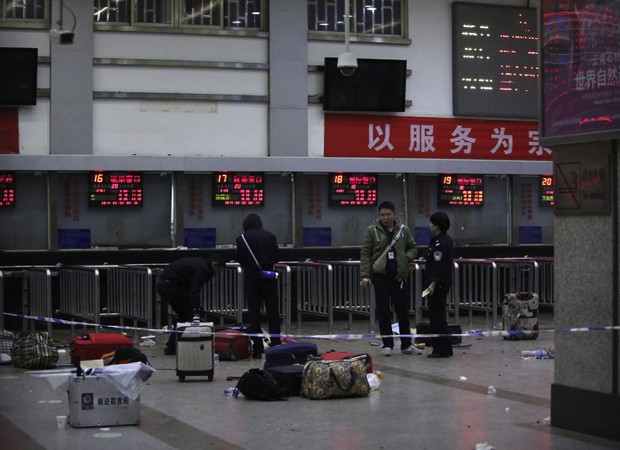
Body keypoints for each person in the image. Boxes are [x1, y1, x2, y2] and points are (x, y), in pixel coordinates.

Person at [360, 201, 421, 356]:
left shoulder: (403, 230)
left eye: (388, 214)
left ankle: (406, 345)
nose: (385, 217)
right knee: (383, 311)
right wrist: (366, 275)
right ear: (378, 215)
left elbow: (413, 248)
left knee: (403, 311)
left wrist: (405, 258)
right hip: (381, 277)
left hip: (399, 277)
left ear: (394, 214)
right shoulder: (372, 231)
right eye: (382, 215)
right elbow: (365, 253)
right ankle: (387, 344)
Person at [157, 254, 225, 355]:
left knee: (184, 316)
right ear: (215, 265)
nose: (217, 273)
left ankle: (171, 347)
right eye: (218, 270)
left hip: (165, 285)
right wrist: (196, 309)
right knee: (195, 316)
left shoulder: (200, 263)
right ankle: (199, 346)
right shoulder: (203, 269)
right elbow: (195, 289)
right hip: (172, 287)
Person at [235, 214, 282, 359]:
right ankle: (276, 344)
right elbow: (276, 257)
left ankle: (257, 348)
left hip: (252, 279)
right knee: (273, 312)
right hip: (268, 278)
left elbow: (241, 260)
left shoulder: (241, 239)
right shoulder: (270, 236)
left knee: (254, 314)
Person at [424, 212, 454, 358]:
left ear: (437, 225)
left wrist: (433, 284)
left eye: (432, 223)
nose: (429, 225)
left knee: (437, 317)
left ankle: (440, 349)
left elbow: (438, 264)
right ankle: (446, 347)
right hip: (440, 282)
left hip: (438, 284)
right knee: (439, 315)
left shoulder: (440, 242)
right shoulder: (441, 240)